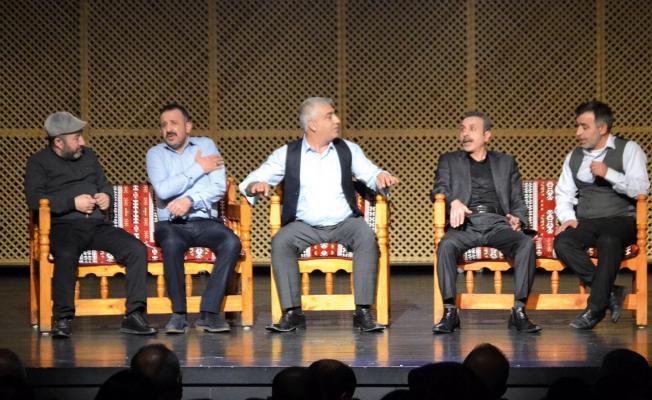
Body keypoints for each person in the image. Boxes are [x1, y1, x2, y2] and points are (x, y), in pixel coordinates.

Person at [239, 97, 398, 332]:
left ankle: (363, 311)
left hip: (346, 223)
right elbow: (251, 180)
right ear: (312, 125)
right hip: (304, 226)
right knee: (281, 241)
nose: (337, 120)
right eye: (330, 116)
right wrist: (256, 185)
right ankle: (292, 312)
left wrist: (381, 176)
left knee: (366, 236)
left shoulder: (348, 149)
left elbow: (371, 173)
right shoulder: (288, 154)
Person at [24, 112, 156, 338]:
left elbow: (104, 184)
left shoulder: (89, 156)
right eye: (76, 138)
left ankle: (134, 315)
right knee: (66, 254)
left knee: (136, 249)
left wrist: (106, 197)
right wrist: (72, 203)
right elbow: (34, 199)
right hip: (63, 226)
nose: (82, 142)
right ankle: (62, 318)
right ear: (59, 142)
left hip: (97, 225)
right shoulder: (38, 162)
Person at [431, 111, 540, 334]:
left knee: (525, 244)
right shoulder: (449, 160)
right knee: (446, 245)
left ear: (487, 135)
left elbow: (517, 199)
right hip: (466, 223)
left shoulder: (506, 162)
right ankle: (450, 312)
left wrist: (518, 218)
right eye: (462, 129)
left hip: (497, 223)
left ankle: (519, 310)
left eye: (472, 129)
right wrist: (453, 202)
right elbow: (438, 190)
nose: (465, 134)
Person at [147, 102, 242, 334]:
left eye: (174, 123)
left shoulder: (206, 145)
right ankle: (178, 314)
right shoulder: (155, 154)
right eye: (164, 125)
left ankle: (210, 313)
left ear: (188, 126)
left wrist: (190, 200)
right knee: (171, 243)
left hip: (205, 221)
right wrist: (198, 168)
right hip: (171, 224)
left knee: (231, 242)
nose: (169, 129)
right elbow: (164, 190)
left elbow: (218, 187)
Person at [554, 101, 649, 330]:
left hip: (621, 220)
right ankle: (611, 291)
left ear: (602, 128)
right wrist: (568, 217)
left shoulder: (629, 149)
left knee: (609, 240)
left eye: (584, 127)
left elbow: (641, 189)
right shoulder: (574, 156)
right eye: (578, 126)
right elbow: (564, 193)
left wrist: (609, 173)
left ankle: (595, 309)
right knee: (563, 242)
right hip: (588, 221)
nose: (578, 133)